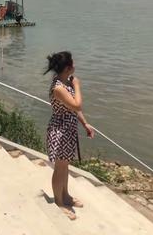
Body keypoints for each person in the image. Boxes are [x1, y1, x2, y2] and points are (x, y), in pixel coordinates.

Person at [45, 51, 95, 211]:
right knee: (60, 167)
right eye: (72, 64)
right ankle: (59, 202)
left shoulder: (65, 81)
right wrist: (78, 86)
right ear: (67, 68)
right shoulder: (59, 87)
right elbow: (76, 105)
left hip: (68, 129)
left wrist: (85, 123)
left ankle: (66, 195)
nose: (75, 66)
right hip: (60, 131)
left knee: (65, 166)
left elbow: (73, 108)